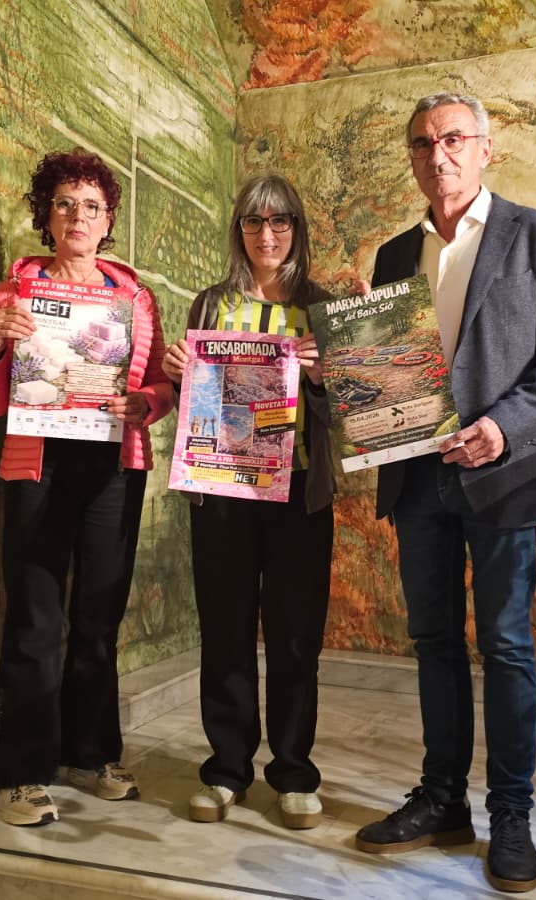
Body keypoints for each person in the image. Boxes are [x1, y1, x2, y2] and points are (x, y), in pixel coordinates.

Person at [351, 94, 536, 894]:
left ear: (486, 148)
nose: (439, 155)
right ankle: (443, 799)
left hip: (505, 471)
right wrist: (348, 366)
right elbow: (388, 369)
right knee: (433, 642)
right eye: (423, 143)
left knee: (508, 645)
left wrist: (503, 426)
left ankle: (512, 816)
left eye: (454, 138)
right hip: (417, 476)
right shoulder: (395, 254)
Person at [0, 148, 175, 827]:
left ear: (108, 219)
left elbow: (159, 387)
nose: (78, 217)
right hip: (38, 464)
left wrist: (146, 404)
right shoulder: (15, 293)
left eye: (91, 206)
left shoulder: (135, 299)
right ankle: (19, 773)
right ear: (47, 216)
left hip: (114, 468)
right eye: (64, 204)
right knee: (36, 617)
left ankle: (90, 754)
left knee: (98, 618)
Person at [160, 174, 335, 830]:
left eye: (280, 220)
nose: (267, 234)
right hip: (224, 493)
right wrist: (177, 376)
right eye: (254, 222)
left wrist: (324, 379)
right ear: (239, 230)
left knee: (295, 638)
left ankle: (293, 772)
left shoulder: (323, 309)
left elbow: (350, 412)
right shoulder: (211, 304)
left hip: (300, 497)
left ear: (297, 229)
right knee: (226, 631)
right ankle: (227, 768)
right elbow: (193, 407)